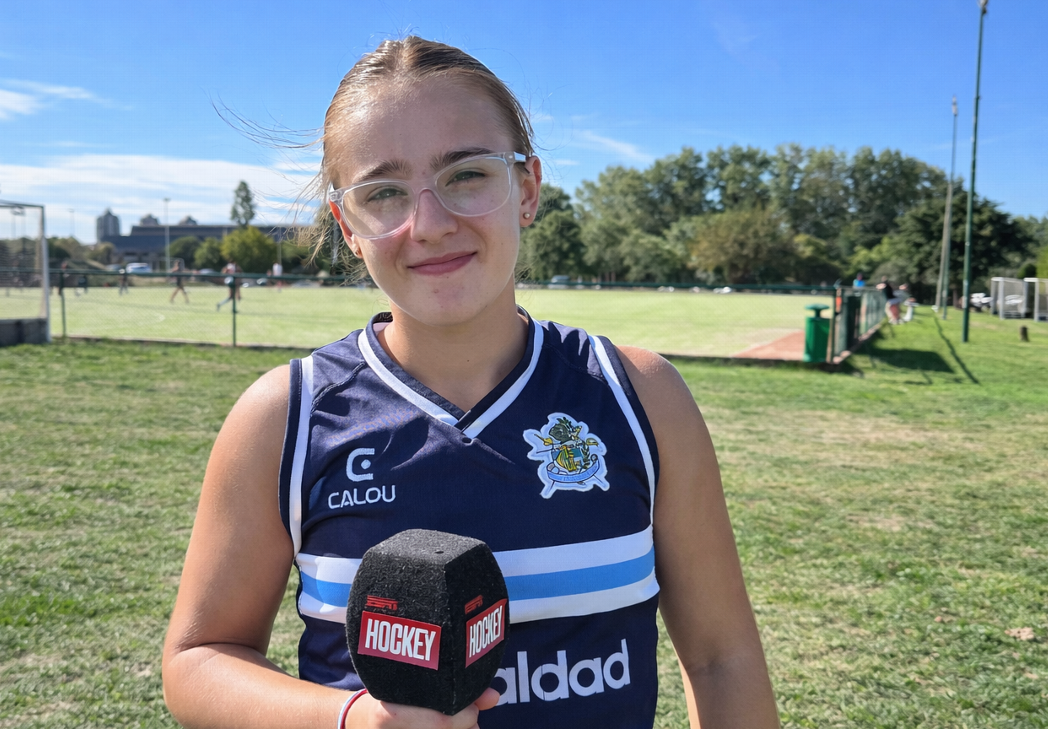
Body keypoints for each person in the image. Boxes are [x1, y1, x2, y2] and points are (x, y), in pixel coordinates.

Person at [162, 37, 778, 729]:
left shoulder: (640, 395)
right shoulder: (285, 417)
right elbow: (198, 658)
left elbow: (723, 659)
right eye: (383, 192)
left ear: (528, 189)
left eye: (466, 175)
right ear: (348, 225)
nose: (428, 224)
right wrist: (353, 720)